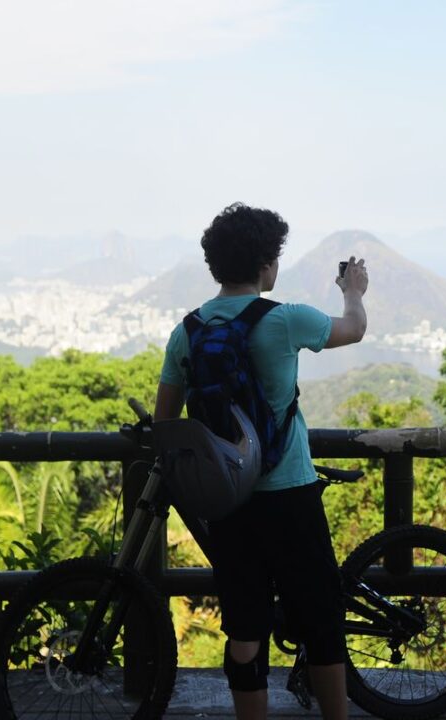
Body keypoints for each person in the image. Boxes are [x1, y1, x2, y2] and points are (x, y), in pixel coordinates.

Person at [154, 203, 369, 720]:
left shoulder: (188, 331)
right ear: (267, 266)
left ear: (214, 266)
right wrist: (354, 291)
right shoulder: (285, 319)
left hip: (228, 500)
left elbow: (166, 420)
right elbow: (353, 330)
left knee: (245, 629)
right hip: (290, 491)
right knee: (320, 620)